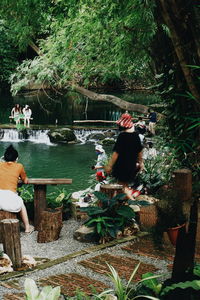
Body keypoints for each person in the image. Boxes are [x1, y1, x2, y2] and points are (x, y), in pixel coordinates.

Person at [104, 112, 144, 199]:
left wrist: (109, 166)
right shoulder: (136, 135)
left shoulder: (122, 136)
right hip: (132, 165)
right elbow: (140, 151)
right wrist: (141, 163)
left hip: (122, 165)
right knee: (124, 184)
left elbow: (116, 153)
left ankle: (133, 202)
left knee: (122, 185)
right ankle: (125, 201)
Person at [0, 145, 34, 233]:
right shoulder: (19, 166)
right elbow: (25, 180)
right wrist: (18, 177)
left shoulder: (0, 165)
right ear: (16, 158)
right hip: (10, 200)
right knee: (21, 204)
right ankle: (27, 228)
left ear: (5, 157)